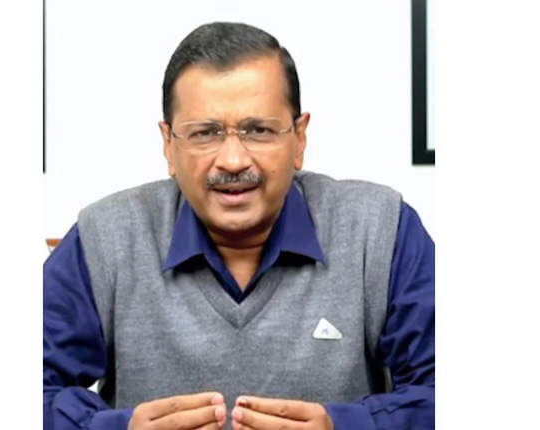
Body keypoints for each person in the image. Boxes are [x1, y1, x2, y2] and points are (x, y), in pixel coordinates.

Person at [44, 22, 434, 430]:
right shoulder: (106, 238)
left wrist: (347, 426)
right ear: (169, 145)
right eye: (205, 133)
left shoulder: (379, 229)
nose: (233, 160)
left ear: (299, 138)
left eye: (258, 131)